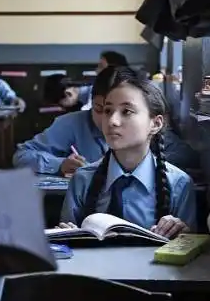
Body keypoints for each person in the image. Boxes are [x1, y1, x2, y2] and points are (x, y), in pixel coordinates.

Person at [59, 66, 196, 236]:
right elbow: (68, 248)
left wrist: (184, 234)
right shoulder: (82, 180)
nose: (112, 121)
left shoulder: (179, 184)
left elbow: (189, 251)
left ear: (156, 124)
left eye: (127, 111)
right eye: (108, 111)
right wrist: (67, 238)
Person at [11, 67, 114, 176]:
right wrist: (60, 164)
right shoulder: (74, 122)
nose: (111, 120)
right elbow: (21, 156)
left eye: (126, 111)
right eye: (99, 109)